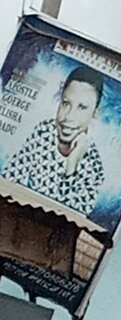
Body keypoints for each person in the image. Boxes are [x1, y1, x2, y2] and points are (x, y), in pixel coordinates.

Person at [1, 65, 105, 216]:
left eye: (82, 108)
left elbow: (71, 219)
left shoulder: (94, 168)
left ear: (94, 114)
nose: (69, 117)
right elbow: (9, 178)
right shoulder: (44, 131)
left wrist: (72, 165)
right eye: (65, 103)